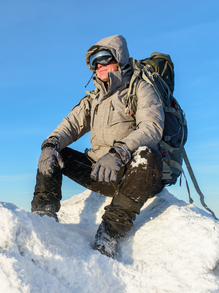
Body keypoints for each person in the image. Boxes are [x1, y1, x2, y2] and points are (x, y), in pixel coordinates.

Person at [31, 35, 165, 258]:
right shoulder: (93, 99)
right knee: (56, 153)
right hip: (102, 171)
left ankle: (109, 233)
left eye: (104, 59)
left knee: (145, 154)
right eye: (94, 62)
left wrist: (120, 152)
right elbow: (70, 126)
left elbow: (152, 127)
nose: (99, 66)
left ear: (119, 59)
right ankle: (43, 216)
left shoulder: (139, 88)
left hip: (137, 175)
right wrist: (50, 144)